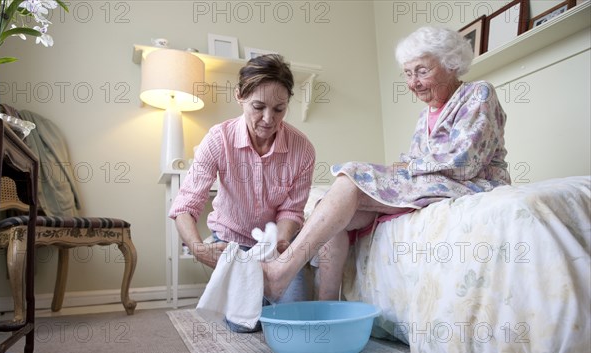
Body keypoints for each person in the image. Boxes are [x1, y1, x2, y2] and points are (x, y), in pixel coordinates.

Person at [262, 26, 511, 301]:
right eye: (407, 73)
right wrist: (402, 169)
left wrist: (402, 169)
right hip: (433, 186)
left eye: (421, 71)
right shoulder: (425, 114)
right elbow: (414, 163)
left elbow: (464, 163)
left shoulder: (478, 94)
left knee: (352, 177)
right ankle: (328, 305)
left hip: (472, 184)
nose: (412, 82)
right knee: (329, 212)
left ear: (451, 64)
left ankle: (279, 273)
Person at [169, 54, 316, 307]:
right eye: (258, 107)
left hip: (276, 243)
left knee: (293, 314)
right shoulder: (218, 140)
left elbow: (291, 210)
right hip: (231, 244)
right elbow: (185, 206)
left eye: (279, 109)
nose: (269, 119)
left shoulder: (302, 149)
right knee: (244, 322)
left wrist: (277, 249)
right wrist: (197, 247)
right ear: (240, 96)